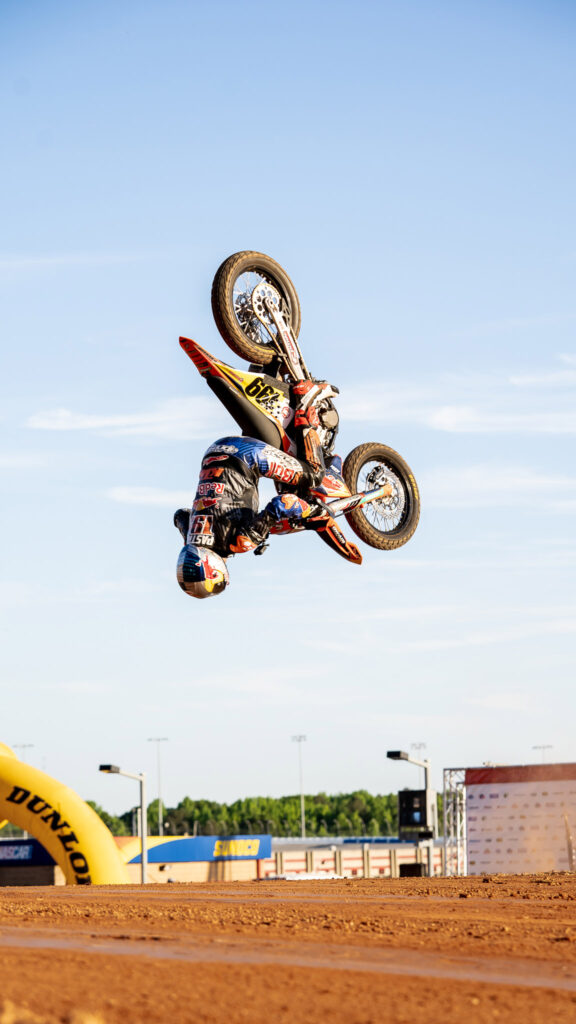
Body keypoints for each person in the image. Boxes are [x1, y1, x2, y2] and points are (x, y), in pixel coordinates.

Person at [174, 380, 361, 598]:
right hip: (216, 451)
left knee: (312, 475)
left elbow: (282, 504)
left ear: (215, 571)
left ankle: (305, 404)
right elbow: (180, 515)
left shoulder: (241, 542)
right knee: (291, 473)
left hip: (248, 456)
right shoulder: (190, 536)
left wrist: (311, 511)